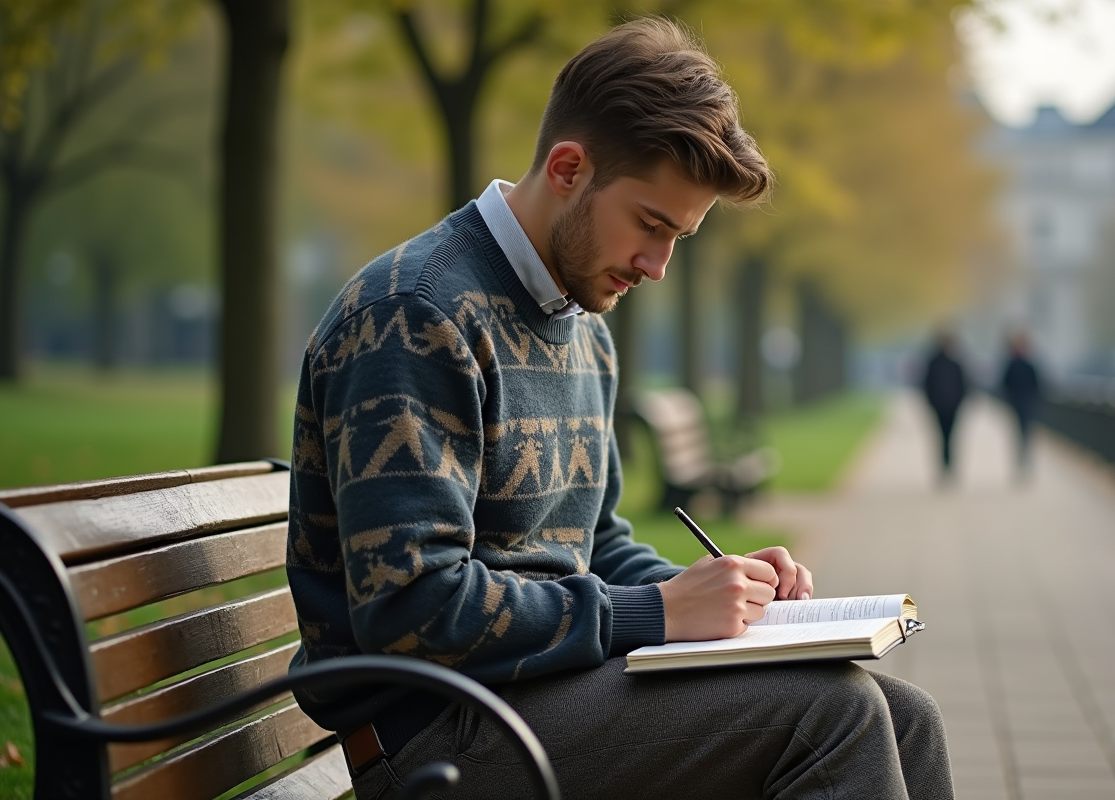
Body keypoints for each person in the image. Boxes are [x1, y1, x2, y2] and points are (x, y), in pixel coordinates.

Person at [286, 18, 954, 800]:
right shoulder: (416, 315)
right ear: (568, 168)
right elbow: (412, 610)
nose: (658, 266)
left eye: (680, 238)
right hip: (435, 732)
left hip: (537, 695)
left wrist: (727, 597)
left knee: (909, 716)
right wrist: (656, 613)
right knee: (832, 715)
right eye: (651, 225)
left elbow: (594, 543)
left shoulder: (581, 325)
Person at [921, 331, 968, 482]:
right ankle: (944, 464)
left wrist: (960, 401)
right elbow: (926, 385)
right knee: (942, 436)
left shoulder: (955, 363)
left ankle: (949, 464)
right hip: (939, 405)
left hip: (952, 405)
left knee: (950, 436)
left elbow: (964, 386)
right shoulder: (934, 363)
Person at [1000, 330, 1041, 477]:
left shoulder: (1028, 364)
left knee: (1025, 432)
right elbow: (1005, 384)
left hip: (1026, 403)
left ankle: (1024, 458)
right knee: (1020, 432)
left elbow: (1038, 385)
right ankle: (1021, 459)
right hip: (1017, 403)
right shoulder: (1013, 364)